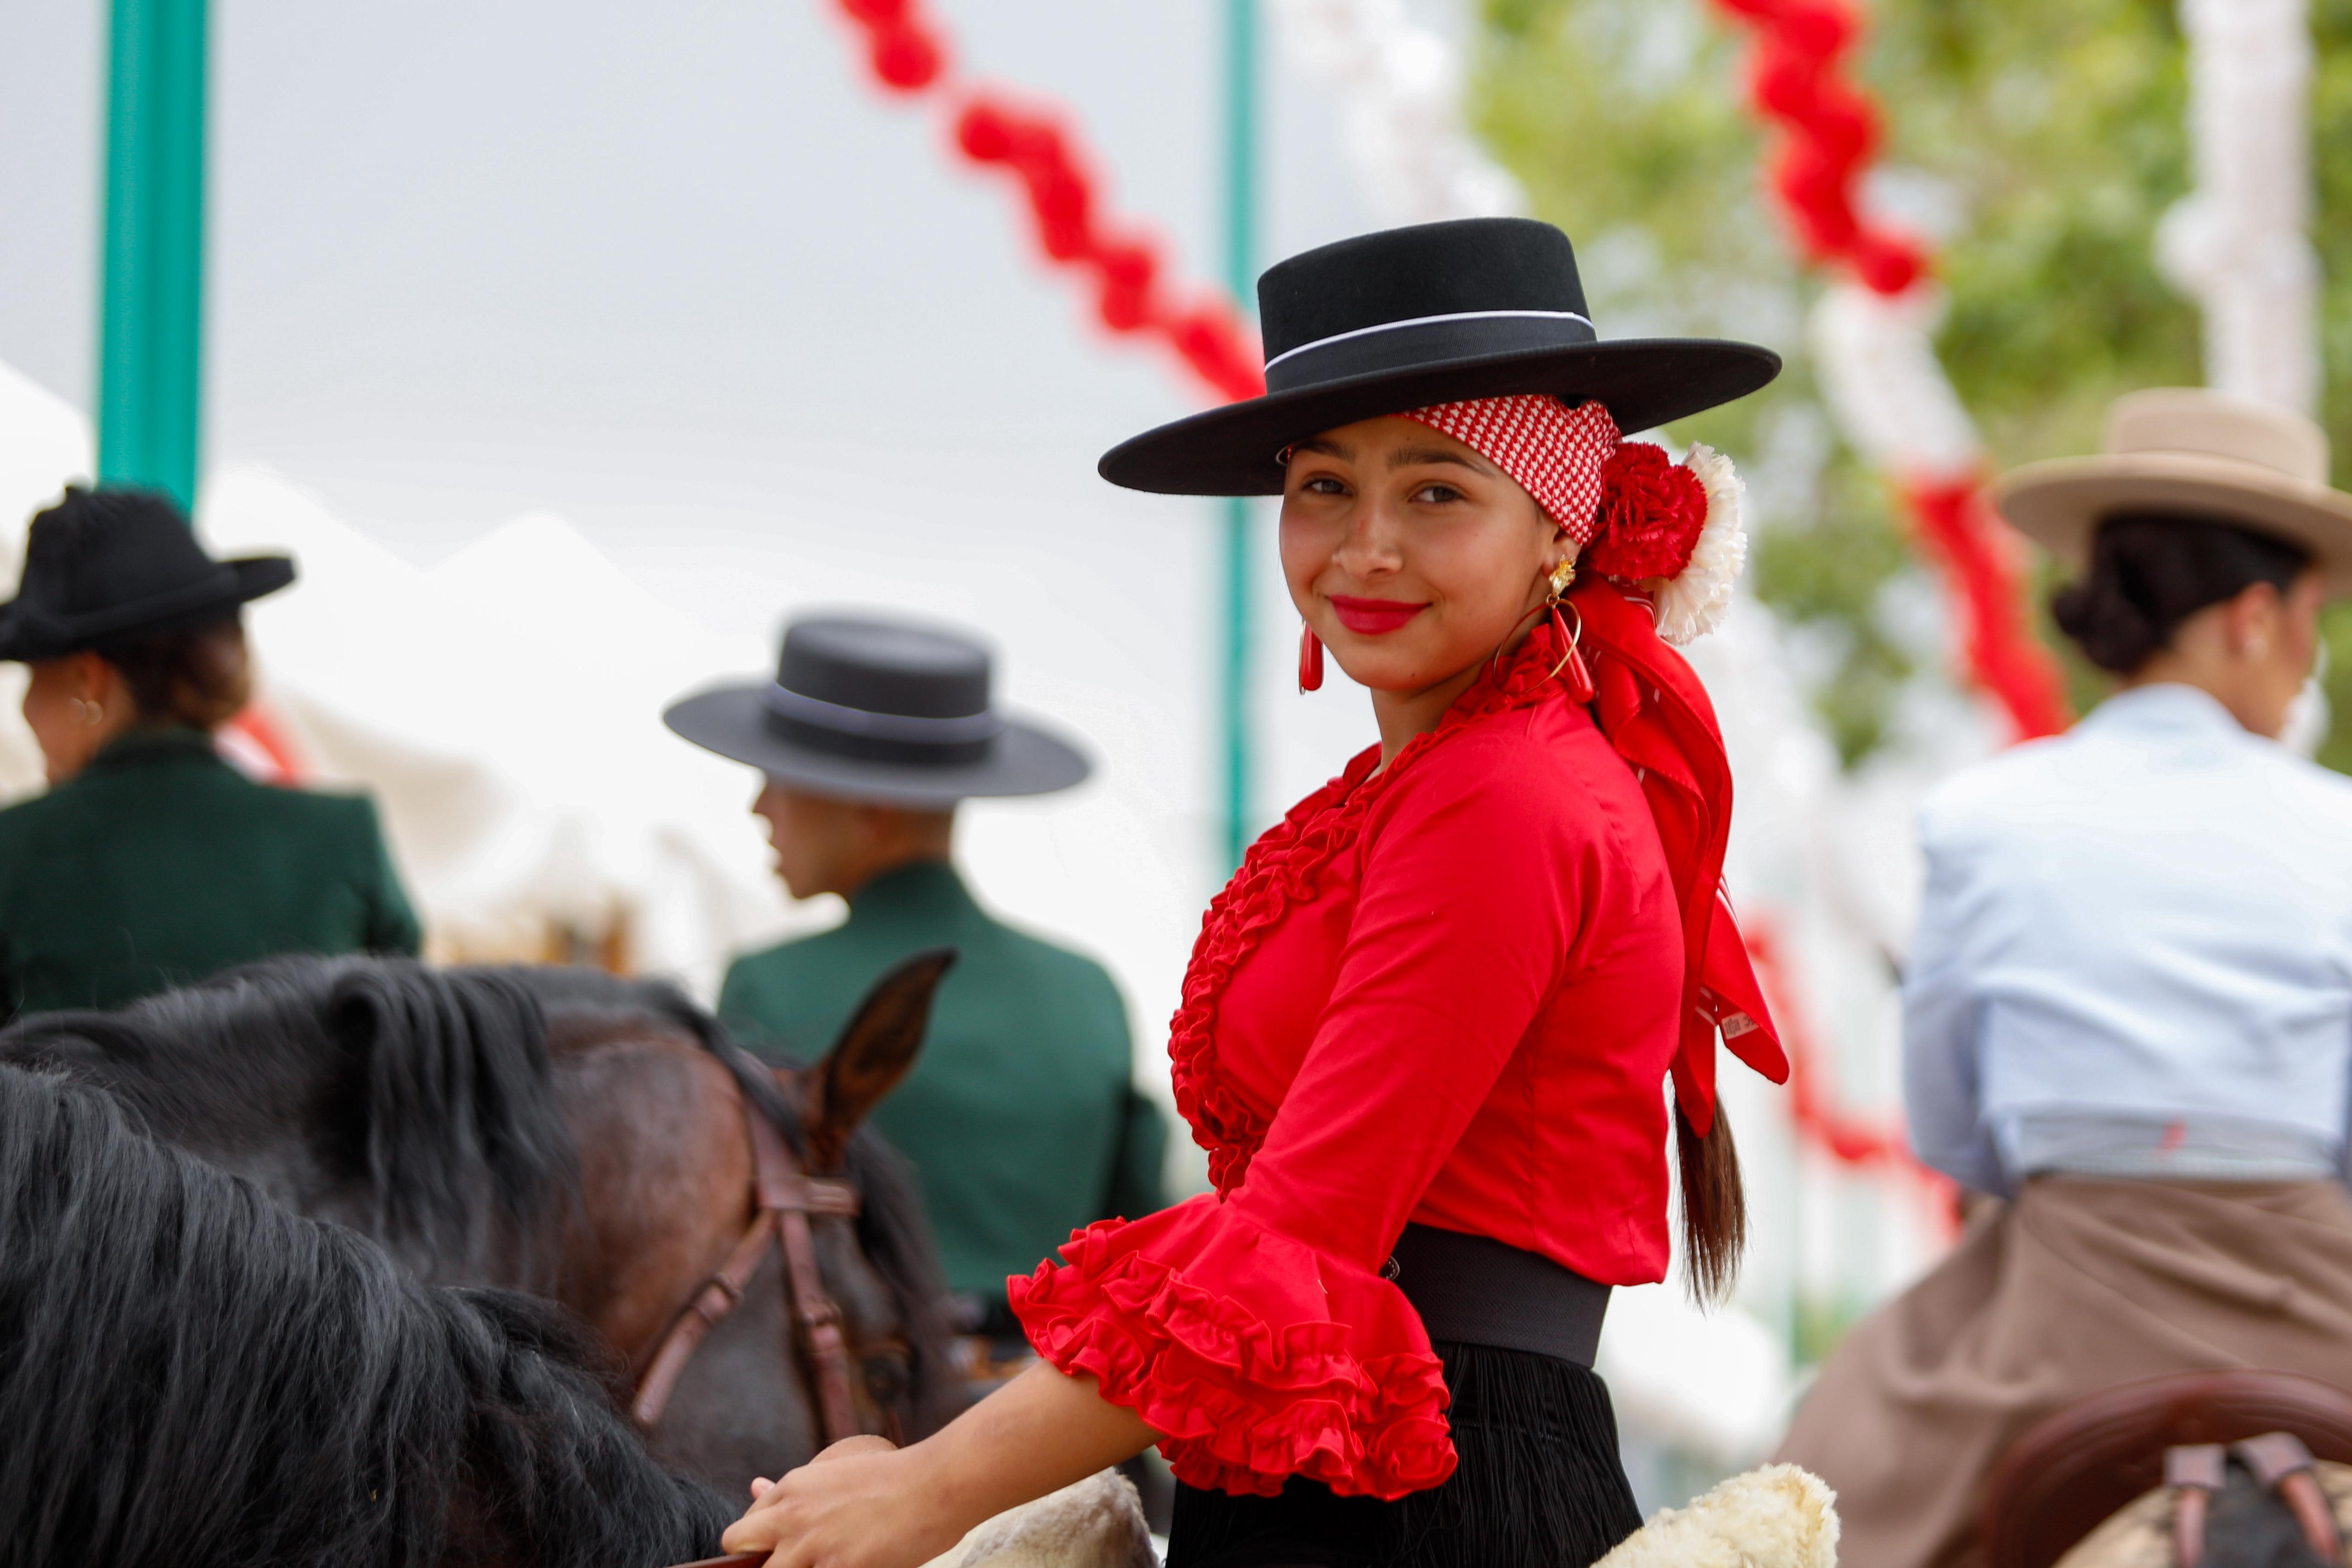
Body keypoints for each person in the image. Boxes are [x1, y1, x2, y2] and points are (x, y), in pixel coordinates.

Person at [719, 216, 1792, 1568]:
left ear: (1559, 534)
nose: (1364, 548)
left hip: (1426, 1499)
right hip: (1328, 1461)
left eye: (1435, 490)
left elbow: (1302, 1223)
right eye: (1323, 487)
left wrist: (930, 1486)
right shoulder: (1424, 784)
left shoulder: (1506, 793)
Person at [1775, 388, 2352, 1568]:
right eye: (2309, 616)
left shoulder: (1981, 812)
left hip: (2053, 1299)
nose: (2308, 652)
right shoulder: (2339, 824)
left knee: (1818, 1503)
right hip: (2317, 1298)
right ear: (2253, 616)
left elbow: (1949, 1132)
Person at [666, 612, 1168, 1327]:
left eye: (779, 778)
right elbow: (1145, 1250)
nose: (759, 806)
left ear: (872, 810)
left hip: (862, 1421)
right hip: (1065, 1420)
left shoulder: (768, 986)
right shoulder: (1088, 991)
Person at [0, 486, 419, 1021]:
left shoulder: (13, 857)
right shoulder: (345, 839)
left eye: (33, 677)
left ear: (88, 680)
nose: (26, 708)